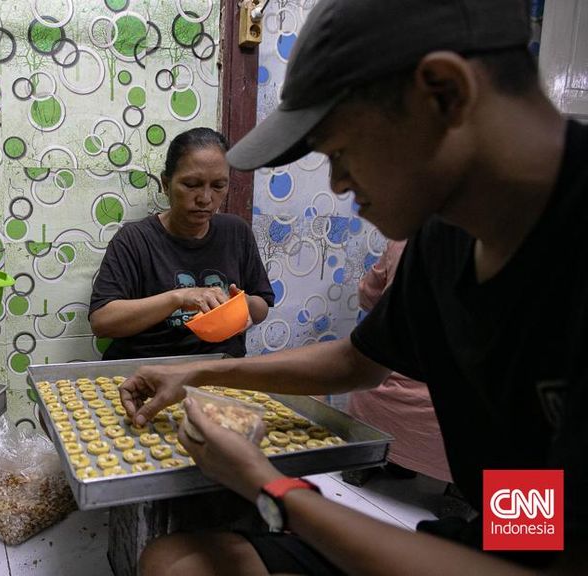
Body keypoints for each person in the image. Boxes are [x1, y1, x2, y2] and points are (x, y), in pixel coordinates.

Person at [119, 1, 586, 574]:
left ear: (442, 93)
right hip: (515, 527)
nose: (339, 183)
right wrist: (199, 372)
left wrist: (271, 489)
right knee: (177, 563)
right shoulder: (446, 236)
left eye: (340, 151)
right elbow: (358, 362)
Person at [89, 127, 274, 360]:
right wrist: (179, 297)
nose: (205, 198)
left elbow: (261, 307)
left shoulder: (236, 232)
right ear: (166, 184)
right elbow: (102, 322)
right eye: (191, 184)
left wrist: (240, 304)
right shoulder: (134, 240)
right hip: (148, 371)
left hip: (220, 368)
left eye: (218, 186)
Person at [343, 239, 452, 485]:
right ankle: (459, 496)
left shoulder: (407, 241)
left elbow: (369, 296)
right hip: (446, 421)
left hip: (383, 399)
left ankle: (365, 462)